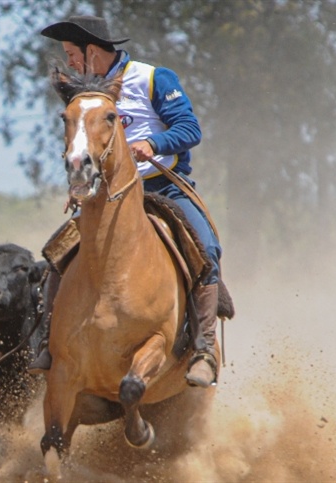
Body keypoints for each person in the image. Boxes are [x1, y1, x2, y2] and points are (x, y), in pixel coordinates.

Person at [28, 15, 223, 388]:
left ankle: (203, 350)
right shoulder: (83, 98)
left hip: (163, 188)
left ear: (92, 51)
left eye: (72, 54)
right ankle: (49, 345)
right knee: (57, 253)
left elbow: (189, 129)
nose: (70, 62)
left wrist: (154, 144)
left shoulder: (152, 78)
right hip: (106, 194)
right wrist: (79, 185)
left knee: (208, 250)